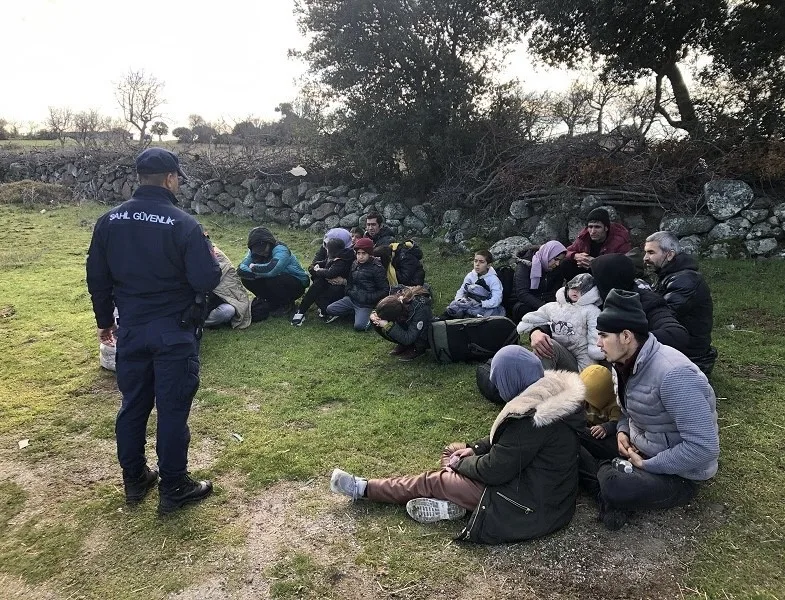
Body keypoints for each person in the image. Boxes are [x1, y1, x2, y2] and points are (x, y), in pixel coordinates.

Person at [329, 345, 585, 544]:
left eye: (498, 380)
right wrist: (474, 448)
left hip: (526, 503)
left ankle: (363, 488)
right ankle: (454, 501)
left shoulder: (533, 420)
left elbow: (495, 469)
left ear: (511, 380)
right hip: (537, 488)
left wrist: (462, 464)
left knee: (434, 480)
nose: (496, 386)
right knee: (453, 449)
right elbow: (513, 447)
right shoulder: (547, 394)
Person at [86, 148, 221, 514]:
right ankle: (174, 486)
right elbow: (207, 277)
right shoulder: (184, 224)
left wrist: (104, 321)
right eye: (178, 178)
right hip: (174, 333)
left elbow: (97, 278)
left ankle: (135, 480)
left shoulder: (108, 222)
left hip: (131, 329)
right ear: (170, 178)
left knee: (133, 407)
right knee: (173, 411)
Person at [583, 289, 719, 531]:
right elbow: (629, 410)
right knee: (574, 431)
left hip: (676, 471)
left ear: (626, 336)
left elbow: (703, 448)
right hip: (638, 445)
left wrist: (648, 465)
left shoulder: (674, 375)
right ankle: (609, 478)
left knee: (616, 485)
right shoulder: (621, 361)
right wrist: (623, 431)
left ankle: (608, 475)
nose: (597, 343)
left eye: (603, 335)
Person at [529, 254, 690, 366]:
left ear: (608, 280)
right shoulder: (594, 298)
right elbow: (563, 316)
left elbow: (676, 334)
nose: (592, 283)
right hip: (582, 361)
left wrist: (624, 342)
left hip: (623, 371)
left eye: (596, 278)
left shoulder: (647, 302)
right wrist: (538, 331)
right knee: (544, 346)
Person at [644, 231, 717, 375]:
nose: (645, 258)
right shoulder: (667, 274)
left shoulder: (686, 280)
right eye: (645, 252)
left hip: (691, 353)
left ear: (669, 255)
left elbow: (663, 315)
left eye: (651, 252)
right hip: (681, 344)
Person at [517, 273, 604, 371]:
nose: (576, 291)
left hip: (581, 351)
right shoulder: (554, 306)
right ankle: (535, 378)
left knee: (589, 374)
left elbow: (595, 332)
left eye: (581, 289)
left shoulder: (591, 310)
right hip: (558, 347)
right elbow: (537, 316)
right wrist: (528, 327)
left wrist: (596, 350)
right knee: (546, 346)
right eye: (573, 288)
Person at [237, 226, 309, 315]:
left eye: (263, 248)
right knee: (246, 278)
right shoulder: (253, 252)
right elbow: (241, 269)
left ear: (269, 242)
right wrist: (255, 274)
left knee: (273, 278)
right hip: (273, 282)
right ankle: (267, 300)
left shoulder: (281, 250)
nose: (261, 252)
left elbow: (272, 269)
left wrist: (253, 268)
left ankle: (286, 304)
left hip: (296, 284)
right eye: (258, 249)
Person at [291, 229, 356, 326]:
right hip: (327, 282)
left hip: (343, 290)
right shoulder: (333, 253)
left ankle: (326, 311)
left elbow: (332, 272)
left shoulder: (348, 258)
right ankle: (302, 310)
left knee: (319, 286)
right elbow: (314, 265)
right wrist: (317, 268)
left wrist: (343, 281)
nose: (325, 249)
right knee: (318, 284)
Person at [324, 237, 389, 331]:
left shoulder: (377, 268)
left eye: (364, 253)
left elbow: (384, 290)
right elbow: (350, 281)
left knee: (359, 326)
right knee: (330, 309)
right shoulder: (354, 264)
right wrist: (349, 291)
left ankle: (371, 314)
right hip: (352, 298)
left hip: (366, 304)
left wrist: (368, 298)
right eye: (358, 253)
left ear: (370, 254)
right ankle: (355, 313)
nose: (360, 256)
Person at [370, 285, 433, 361]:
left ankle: (417, 349)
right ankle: (403, 344)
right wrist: (374, 315)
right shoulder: (394, 298)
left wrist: (387, 326)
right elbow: (384, 308)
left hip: (422, 334)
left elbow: (409, 338)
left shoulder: (420, 309)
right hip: (406, 320)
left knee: (412, 336)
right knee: (376, 322)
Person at [563, 208, 631, 277]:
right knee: (566, 263)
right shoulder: (584, 237)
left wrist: (596, 263)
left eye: (597, 227)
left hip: (607, 274)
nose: (593, 231)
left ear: (606, 228)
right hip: (587, 270)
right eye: (590, 227)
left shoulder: (619, 240)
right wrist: (576, 256)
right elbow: (567, 251)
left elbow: (624, 265)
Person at [510, 241, 567, 322]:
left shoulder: (556, 268)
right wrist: (544, 307)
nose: (557, 263)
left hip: (546, 299)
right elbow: (522, 294)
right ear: (548, 254)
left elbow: (556, 289)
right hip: (527, 301)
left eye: (560, 260)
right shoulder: (524, 266)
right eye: (556, 259)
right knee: (522, 309)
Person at [444, 250, 505, 318]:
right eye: (475, 261)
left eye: (481, 262)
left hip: (484, 306)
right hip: (469, 303)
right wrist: (459, 300)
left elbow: (497, 299)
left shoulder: (493, 279)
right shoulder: (471, 275)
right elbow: (462, 290)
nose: (477, 264)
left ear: (488, 265)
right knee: (453, 307)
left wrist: (482, 303)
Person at [204, 245, 252, 329]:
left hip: (220, 299)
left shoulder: (217, 255)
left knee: (228, 311)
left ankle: (201, 323)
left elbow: (209, 280)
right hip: (200, 298)